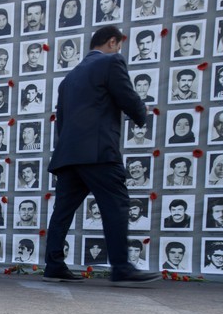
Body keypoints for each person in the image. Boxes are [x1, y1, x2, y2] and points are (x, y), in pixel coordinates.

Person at [44, 25, 159, 285]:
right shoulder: (111, 62)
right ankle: (121, 267)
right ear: (112, 42)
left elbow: (61, 121)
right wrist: (142, 112)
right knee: (116, 204)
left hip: (68, 155)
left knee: (62, 211)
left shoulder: (69, 78)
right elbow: (127, 97)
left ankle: (53, 264)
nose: (119, 50)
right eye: (118, 45)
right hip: (98, 152)